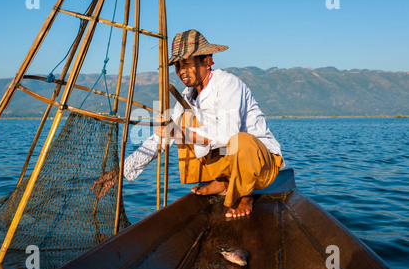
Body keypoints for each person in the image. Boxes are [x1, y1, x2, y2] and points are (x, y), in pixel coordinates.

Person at [91, 29, 284, 218]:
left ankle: (244, 194)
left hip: (261, 166)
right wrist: (120, 172)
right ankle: (225, 183)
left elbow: (227, 134)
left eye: (187, 64)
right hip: (228, 162)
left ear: (207, 61)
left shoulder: (227, 84)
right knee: (180, 123)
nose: (181, 71)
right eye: (177, 66)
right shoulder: (187, 96)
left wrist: (179, 132)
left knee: (240, 141)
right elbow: (160, 139)